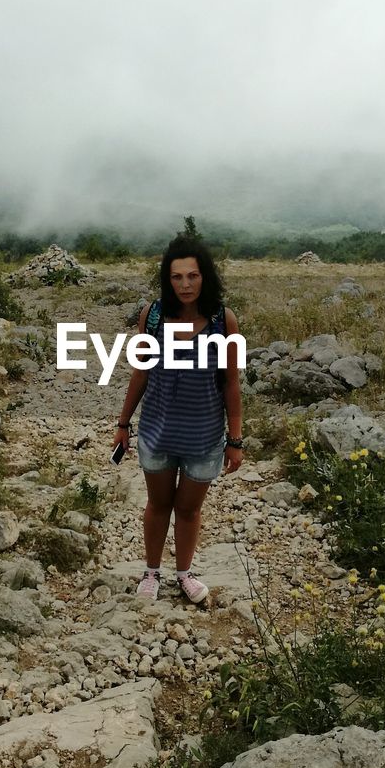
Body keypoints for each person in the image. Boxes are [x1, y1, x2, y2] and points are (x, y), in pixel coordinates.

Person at [112, 234, 244, 602]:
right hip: (157, 432)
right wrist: (123, 424)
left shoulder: (223, 321)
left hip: (203, 437)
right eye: (177, 277)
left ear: (206, 277)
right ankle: (151, 572)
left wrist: (235, 440)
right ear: (167, 279)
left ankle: (184, 574)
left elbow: (231, 383)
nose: (185, 284)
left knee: (188, 510)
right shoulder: (153, 317)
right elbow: (141, 373)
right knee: (157, 505)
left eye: (193, 276)